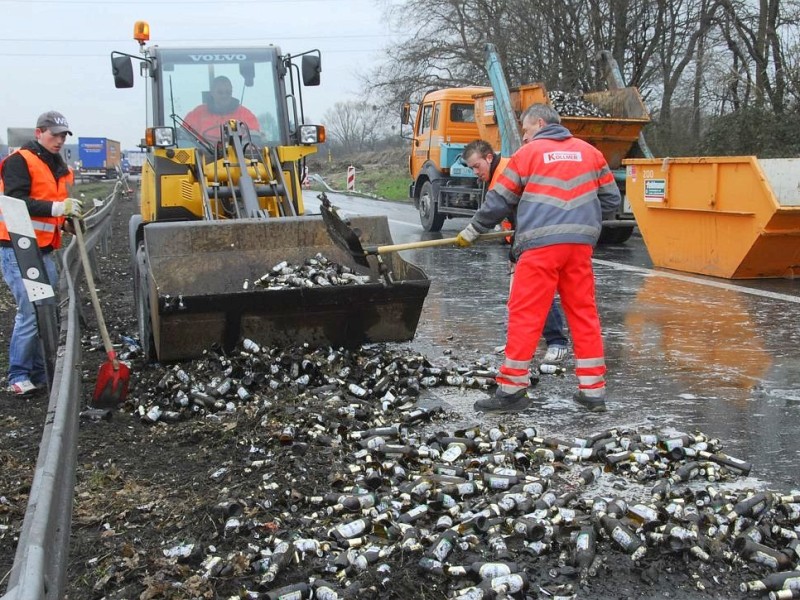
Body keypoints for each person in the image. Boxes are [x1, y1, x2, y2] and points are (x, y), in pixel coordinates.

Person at [456, 104, 620, 413]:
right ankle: (593, 391)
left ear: (540, 124)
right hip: (579, 246)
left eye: (527, 131)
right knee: (584, 314)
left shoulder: (527, 155)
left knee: (526, 313)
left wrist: (473, 229)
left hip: (540, 247)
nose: (526, 137)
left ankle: (511, 389)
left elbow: (499, 200)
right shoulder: (590, 153)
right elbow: (611, 199)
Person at [462, 139, 570, 366]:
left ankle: (557, 343)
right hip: (527, 237)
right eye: (471, 168)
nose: (475, 172)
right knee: (519, 294)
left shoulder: (506, 173)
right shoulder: (498, 171)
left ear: (489, 157)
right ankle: (518, 342)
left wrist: (473, 230)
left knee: (539, 289)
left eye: (477, 166)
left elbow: (505, 211)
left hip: (540, 235)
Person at [0, 111, 82, 395]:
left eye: (63, 136)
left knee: (46, 311)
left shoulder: (53, 163)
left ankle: (38, 373)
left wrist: (64, 222)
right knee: (31, 312)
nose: (59, 140)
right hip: (18, 249)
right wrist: (57, 210)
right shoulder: (19, 162)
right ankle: (18, 375)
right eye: (54, 135)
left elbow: (48, 203)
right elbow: (15, 202)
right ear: (39, 133)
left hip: (43, 248)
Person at [183, 75, 260, 140]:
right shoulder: (197, 114)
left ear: (232, 92)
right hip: (204, 155)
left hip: (238, 156)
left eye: (228, 92)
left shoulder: (244, 114)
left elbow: (255, 137)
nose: (224, 95)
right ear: (212, 92)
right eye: (220, 92)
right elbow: (184, 136)